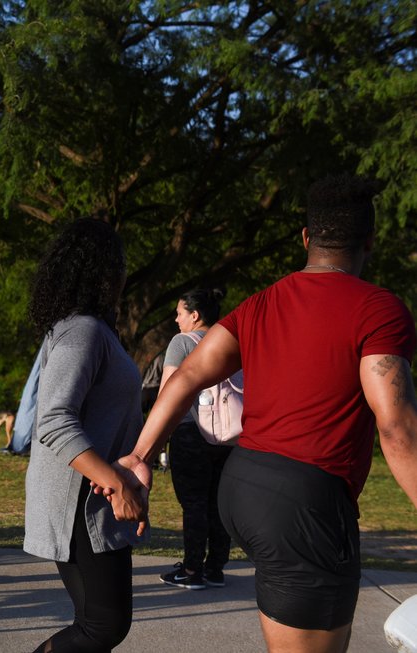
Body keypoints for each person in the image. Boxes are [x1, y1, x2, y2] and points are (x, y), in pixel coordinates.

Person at [113, 174, 417, 652]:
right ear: (370, 241)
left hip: (245, 487)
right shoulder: (380, 310)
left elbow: (187, 375)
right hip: (305, 502)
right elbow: (395, 424)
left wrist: (140, 455)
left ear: (305, 239)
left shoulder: (259, 304)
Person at [24, 218, 147, 653]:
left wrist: (131, 472)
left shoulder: (95, 329)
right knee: (103, 626)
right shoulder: (83, 331)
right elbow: (55, 419)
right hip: (78, 500)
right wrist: (116, 485)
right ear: (102, 271)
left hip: (95, 497)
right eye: (121, 264)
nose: (124, 274)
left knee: (95, 623)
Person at [156, 288, 233, 590]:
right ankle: (215, 568)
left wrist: (157, 439)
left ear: (195, 315)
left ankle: (191, 570)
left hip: (191, 431)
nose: (176, 320)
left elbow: (168, 393)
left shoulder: (183, 343)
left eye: (179, 313)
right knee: (216, 502)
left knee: (194, 503)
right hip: (227, 436)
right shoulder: (229, 340)